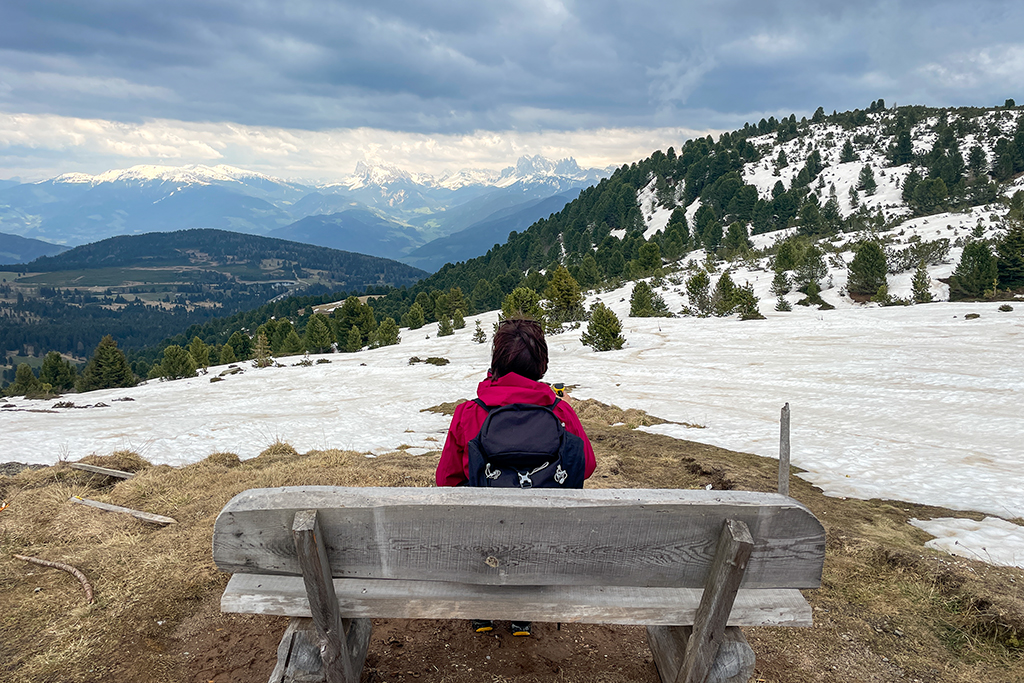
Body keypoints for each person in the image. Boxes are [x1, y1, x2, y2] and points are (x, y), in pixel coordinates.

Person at [435, 318, 596, 637]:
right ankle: (522, 613)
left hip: (484, 538)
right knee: (534, 531)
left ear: (495, 364)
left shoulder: (469, 414)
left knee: (479, 524)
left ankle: (482, 610)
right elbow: (586, 467)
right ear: (541, 366)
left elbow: (447, 480)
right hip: (542, 538)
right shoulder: (561, 413)